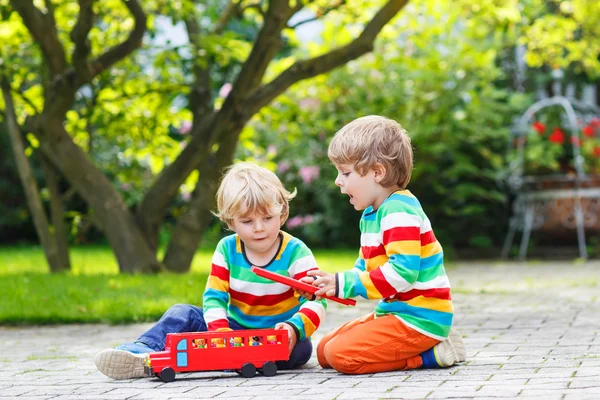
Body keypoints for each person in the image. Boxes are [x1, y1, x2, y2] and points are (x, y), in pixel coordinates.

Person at [95, 162, 327, 379]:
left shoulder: (296, 251)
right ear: (231, 222)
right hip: (232, 329)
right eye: (247, 221)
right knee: (182, 313)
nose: (259, 228)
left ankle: (223, 359)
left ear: (282, 213)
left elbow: (318, 300)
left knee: (302, 349)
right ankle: (141, 352)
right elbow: (215, 297)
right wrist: (220, 334)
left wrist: (294, 329)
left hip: (277, 334)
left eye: (267, 218)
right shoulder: (227, 249)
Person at [304, 115, 466, 375]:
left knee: (340, 356)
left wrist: (343, 283)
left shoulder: (399, 211)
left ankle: (430, 354)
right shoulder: (371, 214)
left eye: (345, 172)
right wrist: (330, 285)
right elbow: (363, 270)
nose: (338, 180)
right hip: (395, 313)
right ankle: (423, 350)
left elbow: (403, 274)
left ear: (377, 172)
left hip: (419, 318)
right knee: (324, 351)